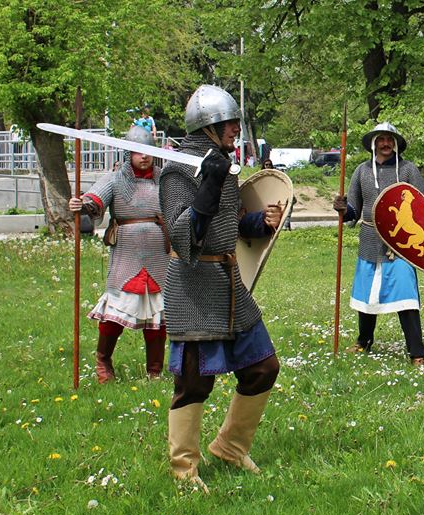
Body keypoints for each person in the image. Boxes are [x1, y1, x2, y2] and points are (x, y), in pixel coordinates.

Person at [159, 85, 284, 491]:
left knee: (263, 367)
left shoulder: (222, 165)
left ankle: (230, 446)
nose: (236, 129)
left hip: (229, 284)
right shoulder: (177, 170)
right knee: (194, 382)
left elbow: (227, 226)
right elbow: (184, 237)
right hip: (194, 288)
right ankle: (184, 470)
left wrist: (258, 222)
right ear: (209, 125)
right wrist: (208, 186)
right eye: (229, 123)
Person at [68, 126, 168, 383]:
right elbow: (94, 199)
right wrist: (82, 203)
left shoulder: (165, 178)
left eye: (147, 152)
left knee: (158, 317)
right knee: (116, 313)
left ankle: (155, 372)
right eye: (137, 152)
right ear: (129, 153)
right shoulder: (116, 178)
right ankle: (103, 361)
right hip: (127, 256)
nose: (143, 157)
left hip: (158, 255)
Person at [332, 122, 424, 365]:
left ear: (395, 143)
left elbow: (423, 207)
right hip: (370, 241)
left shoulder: (408, 170)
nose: (385, 144)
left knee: (406, 297)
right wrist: (344, 209)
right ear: (374, 144)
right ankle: (364, 341)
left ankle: (417, 352)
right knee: (366, 296)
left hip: (401, 246)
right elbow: (354, 210)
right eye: (381, 140)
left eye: (389, 139)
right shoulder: (362, 171)